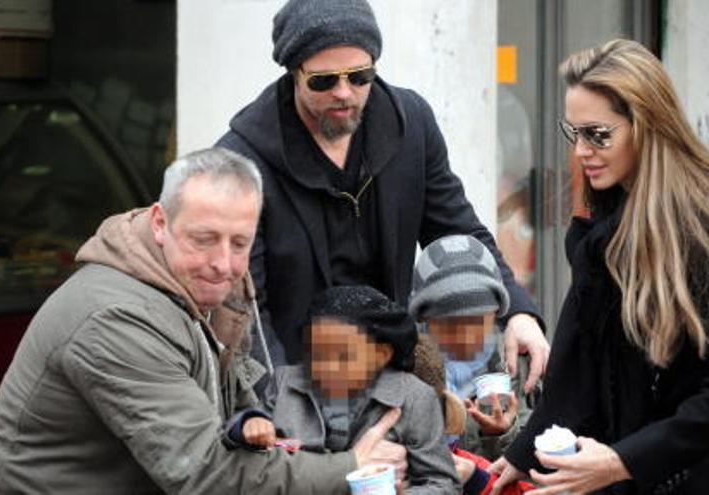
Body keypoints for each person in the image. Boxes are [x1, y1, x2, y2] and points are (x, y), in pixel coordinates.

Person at [0, 148, 407, 494]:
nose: (223, 263)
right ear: (160, 223)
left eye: (240, 243)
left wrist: (255, 424)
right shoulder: (116, 318)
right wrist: (348, 468)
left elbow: (230, 415)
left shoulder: (201, 291)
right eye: (204, 240)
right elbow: (203, 475)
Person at [216, 0, 548, 393]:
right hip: (296, 383)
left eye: (360, 76)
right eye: (323, 81)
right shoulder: (242, 161)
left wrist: (519, 311)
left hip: (395, 376)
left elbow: (457, 229)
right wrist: (284, 411)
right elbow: (245, 308)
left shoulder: (411, 123)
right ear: (293, 73)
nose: (344, 93)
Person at [491, 39, 709, 495]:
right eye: (575, 134)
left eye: (599, 134)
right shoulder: (601, 225)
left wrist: (621, 461)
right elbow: (580, 353)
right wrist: (525, 451)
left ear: (647, 125)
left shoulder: (698, 229)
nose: (582, 151)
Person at [228, 285, 460, 494]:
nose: (327, 367)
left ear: (381, 355)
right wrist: (249, 424)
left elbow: (443, 483)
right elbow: (242, 446)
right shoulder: (285, 382)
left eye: (344, 356)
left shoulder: (414, 398)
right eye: (317, 355)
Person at [408, 235, 536, 495]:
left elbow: (539, 467)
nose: (465, 337)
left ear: (496, 313)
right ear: (424, 317)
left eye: (477, 322)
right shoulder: (406, 364)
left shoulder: (516, 362)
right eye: (451, 325)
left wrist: (502, 433)